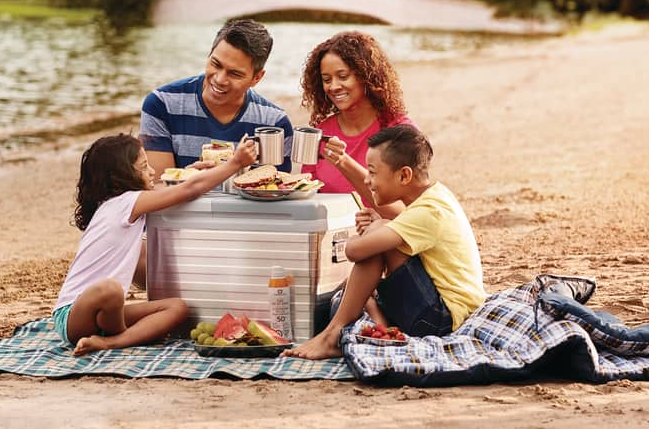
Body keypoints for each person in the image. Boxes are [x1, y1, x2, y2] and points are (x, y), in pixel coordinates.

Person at [284, 125, 486, 360]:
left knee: (376, 242)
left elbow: (354, 251)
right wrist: (380, 225)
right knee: (374, 245)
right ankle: (360, 321)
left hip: (442, 321)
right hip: (446, 310)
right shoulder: (436, 197)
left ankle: (333, 334)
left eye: (372, 172)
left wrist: (373, 229)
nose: (368, 181)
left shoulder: (429, 212)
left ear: (404, 175)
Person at [53, 133, 258, 356]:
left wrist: (190, 172)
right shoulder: (126, 203)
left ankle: (109, 341)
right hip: (73, 315)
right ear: (121, 177)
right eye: (143, 167)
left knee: (177, 308)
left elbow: (174, 188)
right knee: (110, 289)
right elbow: (188, 191)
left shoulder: (123, 202)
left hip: (107, 313)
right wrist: (235, 163)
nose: (152, 172)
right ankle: (117, 337)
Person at [140, 18, 293, 176]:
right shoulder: (161, 105)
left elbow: (275, 192)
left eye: (234, 74)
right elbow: (155, 186)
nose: (219, 80)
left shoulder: (275, 125)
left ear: (257, 78)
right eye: (216, 64)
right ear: (209, 55)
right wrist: (186, 178)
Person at [299, 31, 415, 217]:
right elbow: (309, 203)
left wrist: (343, 162)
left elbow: (409, 215)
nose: (333, 86)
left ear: (365, 76)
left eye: (343, 76)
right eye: (326, 80)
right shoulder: (321, 133)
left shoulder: (399, 132)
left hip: (386, 237)